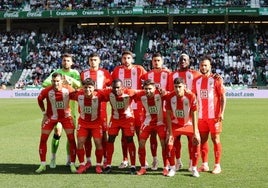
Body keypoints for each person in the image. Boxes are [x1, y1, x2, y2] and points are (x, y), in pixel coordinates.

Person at [42, 53, 81, 168]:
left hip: (70, 110)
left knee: (70, 136)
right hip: (56, 111)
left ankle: (69, 160)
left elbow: (80, 85)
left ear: (72, 62)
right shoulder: (57, 72)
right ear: (61, 61)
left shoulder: (75, 73)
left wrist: (70, 81)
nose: (66, 62)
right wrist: (61, 84)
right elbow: (45, 83)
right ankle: (53, 158)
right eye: (64, 60)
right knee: (57, 132)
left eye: (68, 60)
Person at [35, 72, 77, 173]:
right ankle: (43, 164)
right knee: (43, 139)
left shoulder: (68, 89)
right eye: (53, 81)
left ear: (61, 81)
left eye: (57, 81)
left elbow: (78, 96)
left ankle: (72, 164)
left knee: (71, 140)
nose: (55, 83)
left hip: (66, 117)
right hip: (51, 117)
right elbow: (39, 99)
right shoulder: (47, 90)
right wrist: (44, 113)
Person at [111, 51, 147, 169]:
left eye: (128, 58)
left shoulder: (140, 69)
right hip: (123, 108)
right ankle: (125, 159)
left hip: (138, 108)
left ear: (132, 59)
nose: (126, 60)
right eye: (124, 58)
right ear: (121, 59)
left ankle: (143, 159)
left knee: (140, 134)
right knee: (124, 136)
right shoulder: (117, 70)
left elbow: (148, 82)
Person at [192, 55, 226, 174]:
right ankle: (205, 164)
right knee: (202, 140)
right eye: (201, 65)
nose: (203, 67)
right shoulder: (196, 81)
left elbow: (222, 97)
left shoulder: (216, 79)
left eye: (206, 65)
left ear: (210, 66)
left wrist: (222, 113)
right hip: (201, 117)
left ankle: (217, 165)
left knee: (215, 139)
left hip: (214, 116)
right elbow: (194, 97)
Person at [168, 53, 201, 171]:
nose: (183, 61)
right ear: (178, 61)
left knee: (192, 139)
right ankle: (178, 161)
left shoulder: (196, 74)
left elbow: (206, 79)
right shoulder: (172, 75)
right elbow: (169, 92)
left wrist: (216, 76)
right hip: (176, 111)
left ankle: (192, 163)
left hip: (191, 111)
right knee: (175, 139)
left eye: (185, 59)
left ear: (189, 61)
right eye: (181, 59)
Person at [80, 53, 112, 169]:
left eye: (95, 60)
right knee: (87, 136)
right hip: (87, 108)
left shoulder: (105, 73)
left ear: (99, 61)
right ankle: (88, 160)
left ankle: (104, 159)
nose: (93, 62)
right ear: (89, 61)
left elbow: (110, 87)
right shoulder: (84, 74)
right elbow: (81, 88)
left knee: (103, 135)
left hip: (101, 108)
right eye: (91, 60)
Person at [141, 53, 170, 170]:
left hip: (164, 112)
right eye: (154, 61)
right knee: (152, 137)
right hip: (150, 113)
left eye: (158, 60)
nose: (156, 62)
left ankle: (171, 162)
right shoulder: (147, 75)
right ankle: (154, 160)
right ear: (152, 62)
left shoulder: (168, 74)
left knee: (166, 139)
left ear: (162, 61)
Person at [135, 79, 169, 176]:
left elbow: (172, 95)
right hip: (148, 122)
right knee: (141, 143)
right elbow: (129, 93)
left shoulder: (161, 93)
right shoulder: (141, 95)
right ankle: (143, 167)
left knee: (163, 143)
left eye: (150, 89)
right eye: (146, 89)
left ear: (154, 88)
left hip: (160, 122)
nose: (148, 91)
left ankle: (166, 167)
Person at [102, 79, 137, 175]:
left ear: (122, 87)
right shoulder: (108, 92)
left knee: (129, 139)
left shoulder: (129, 92)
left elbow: (141, 93)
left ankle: (133, 166)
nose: (116, 89)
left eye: (118, 87)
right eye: (114, 87)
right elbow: (97, 91)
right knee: (111, 138)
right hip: (115, 119)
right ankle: (108, 165)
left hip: (127, 118)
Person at [74, 78, 105, 174]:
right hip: (83, 123)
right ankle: (82, 164)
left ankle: (99, 165)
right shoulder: (78, 95)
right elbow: (67, 93)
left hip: (96, 123)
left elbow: (112, 94)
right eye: (85, 87)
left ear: (94, 88)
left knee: (98, 142)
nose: (87, 89)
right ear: (82, 88)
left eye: (90, 87)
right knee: (80, 142)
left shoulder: (100, 95)